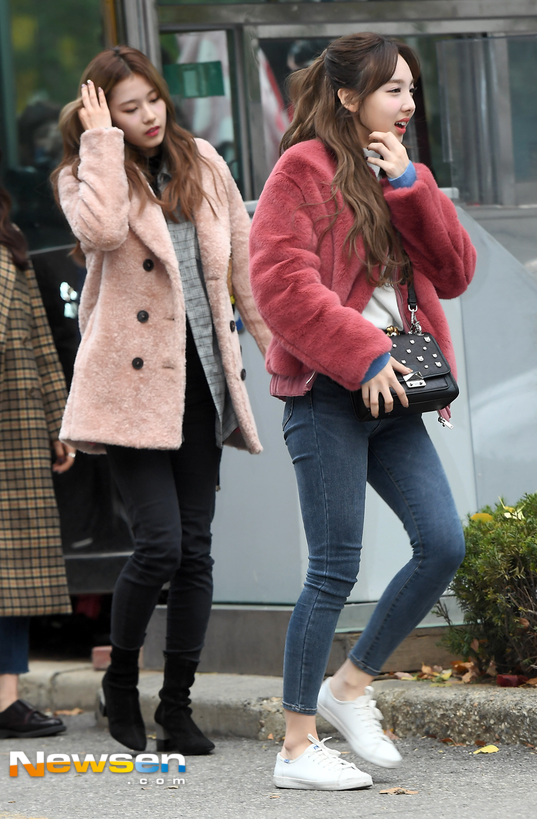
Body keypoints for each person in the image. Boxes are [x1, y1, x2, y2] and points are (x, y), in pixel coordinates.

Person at [249, 32, 476, 790]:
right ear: (348, 96)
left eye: (411, 89)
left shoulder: (404, 171)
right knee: (334, 567)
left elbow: (455, 273)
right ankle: (295, 747)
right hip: (328, 393)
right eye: (392, 89)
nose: (407, 103)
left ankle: (348, 688)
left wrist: (411, 185)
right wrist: (364, 351)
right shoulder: (301, 170)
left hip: (396, 395)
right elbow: (281, 284)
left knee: (442, 542)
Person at [52, 46, 271, 755]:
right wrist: (102, 146)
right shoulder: (84, 173)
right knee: (160, 544)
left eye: (152, 99)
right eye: (128, 107)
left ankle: (177, 706)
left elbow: (244, 264)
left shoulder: (201, 161)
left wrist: (279, 351)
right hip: (130, 390)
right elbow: (102, 234)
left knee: (196, 551)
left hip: (202, 382)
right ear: (102, 114)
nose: (148, 116)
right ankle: (121, 680)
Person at [0, 146, 75, 739]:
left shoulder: (9, 240)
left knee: (14, 572)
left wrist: (57, 420)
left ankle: (6, 699)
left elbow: (40, 341)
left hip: (14, 426)